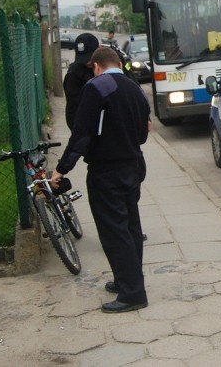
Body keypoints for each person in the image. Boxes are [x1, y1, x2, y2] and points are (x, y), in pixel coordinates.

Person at [51, 47, 152, 314]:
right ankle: (126, 280)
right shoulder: (135, 88)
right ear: (118, 62)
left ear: (96, 66)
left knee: (114, 231)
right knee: (130, 227)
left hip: (107, 170)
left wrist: (62, 169)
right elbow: (144, 133)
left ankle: (132, 294)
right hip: (133, 165)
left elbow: (82, 134)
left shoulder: (97, 87)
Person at [63, 33, 99, 131]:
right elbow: (72, 111)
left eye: (90, 57)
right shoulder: (73, 76)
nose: (87, 62)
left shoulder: (107, 64)